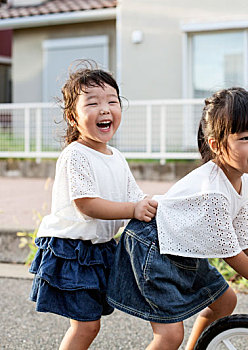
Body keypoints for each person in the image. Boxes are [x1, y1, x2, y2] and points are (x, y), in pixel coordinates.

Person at [107, 87, 248, 350]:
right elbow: (230, 251)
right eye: (244, 138)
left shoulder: (240, 179)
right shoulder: (213, 192)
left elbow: (245, 236)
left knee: (225, 301)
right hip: (153, 246)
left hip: (181, 249)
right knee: (170, 334)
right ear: (216, 145)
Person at [29, 64, 158, 350]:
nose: (104, 109)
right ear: (72, 117)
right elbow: (87, 205)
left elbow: (135, 197)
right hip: (72, 249)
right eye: (92, 103)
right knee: (86, 324)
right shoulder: (75, 155)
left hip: (100, 248)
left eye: (112, 101)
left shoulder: (116, 157)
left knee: (89, 323)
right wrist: (133, 210)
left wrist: (154, 204)